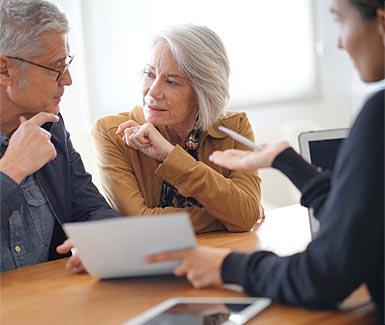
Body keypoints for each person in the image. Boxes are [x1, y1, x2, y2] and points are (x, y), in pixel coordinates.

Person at [145, 0, 384, 322]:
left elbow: (323, 275)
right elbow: (357, 229)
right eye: (150, 74)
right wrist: (288, 163)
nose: (339, 41)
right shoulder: (115, 130)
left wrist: (227, 265)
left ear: (381, 23)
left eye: (340, 21)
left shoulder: (378, 116)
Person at [92, 24, 264, 233]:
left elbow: (245, 214)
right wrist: (228, 216)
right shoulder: (112, 133)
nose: (152, 92)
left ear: (203, 93)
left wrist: (170, 155)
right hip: (153, 262)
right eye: (149, 74)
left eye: (171, 82)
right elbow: (139, 226)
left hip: (217, 255)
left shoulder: (234, 127)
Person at [0, 0, 120, 273]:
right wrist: (11, 172)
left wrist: (98, 242)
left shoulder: (50, 125)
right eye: (55, 67)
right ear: (4, 70)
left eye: (66, 63)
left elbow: (90, 208)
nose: (67, 80)